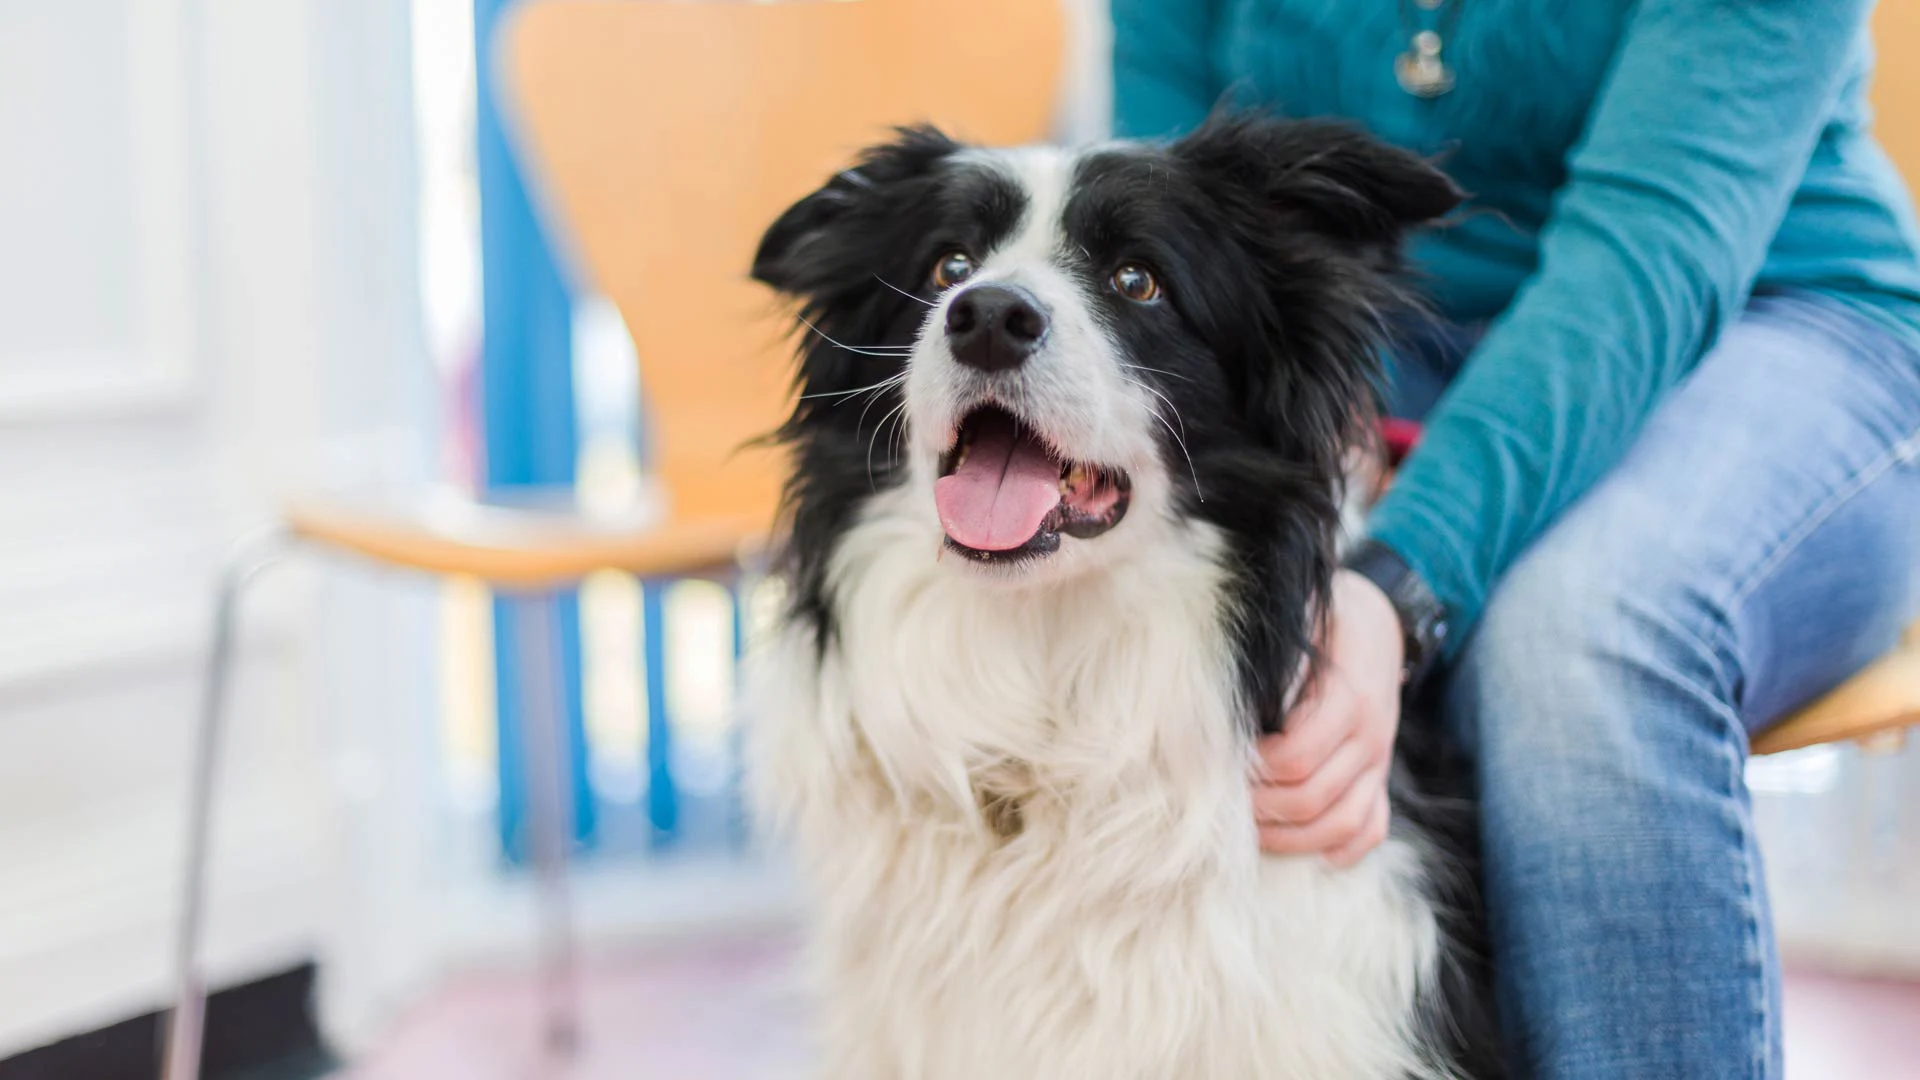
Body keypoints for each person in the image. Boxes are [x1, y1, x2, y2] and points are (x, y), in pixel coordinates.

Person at [1112, 1, 1920, 1076]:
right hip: (1391, 357)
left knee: (1581, 643)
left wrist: (1396, 580)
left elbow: (1649, 258)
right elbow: (1171, 221)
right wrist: (1321, 408)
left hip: (1775, 325)